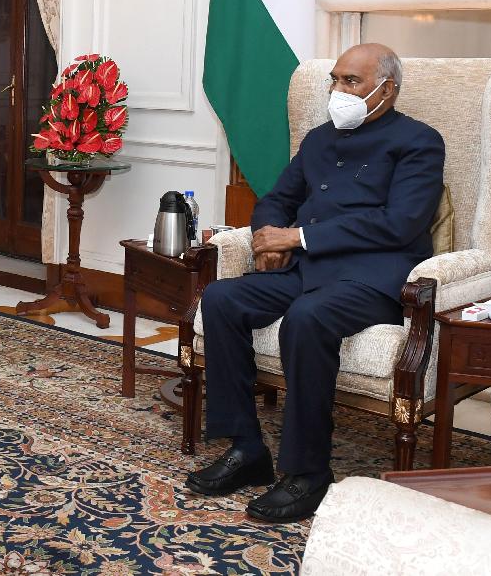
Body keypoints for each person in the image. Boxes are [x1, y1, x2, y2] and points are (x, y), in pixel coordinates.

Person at [186, 43, 445, 522]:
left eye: (352, 81)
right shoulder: (319, 140)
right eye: (335, 80)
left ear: (386, 90)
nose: (338, 90)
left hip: (370, 277)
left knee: (307, 318)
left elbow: (401, 223)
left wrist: (299, 236)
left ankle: (308, 473)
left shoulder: (418, 142)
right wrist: (269, 237)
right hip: (305, 269)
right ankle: (246, 448)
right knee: (221, 298)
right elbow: (277, 198)